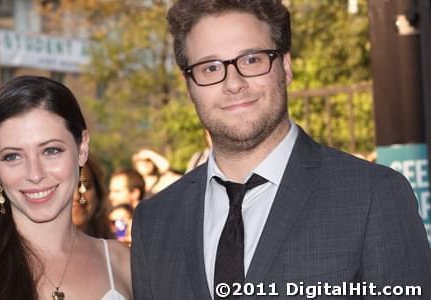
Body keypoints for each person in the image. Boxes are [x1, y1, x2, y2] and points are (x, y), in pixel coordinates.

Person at [131, 1, 431, 299]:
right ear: (189, 85)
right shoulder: (155, 221)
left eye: (251, 60)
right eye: (210, 67)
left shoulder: (372, 196)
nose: (233, 83)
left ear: (285, 67)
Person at [0, 76, 131, 300]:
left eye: (51, 151)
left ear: (82, 149)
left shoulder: (123, 263)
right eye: (12, 156)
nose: (35, 174)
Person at [72, 155, 114, 239]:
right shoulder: (38, 250)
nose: (77, 196)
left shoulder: (116, 250)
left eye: (85, 187)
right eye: (68, 187)